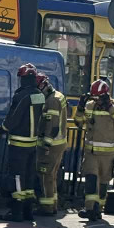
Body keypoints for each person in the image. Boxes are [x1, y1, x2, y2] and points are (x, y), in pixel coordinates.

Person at [0, 63, 44, 221]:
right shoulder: (39, 95)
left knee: (16, 177)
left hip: (18, 144)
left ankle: (16, 212)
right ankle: (28, 212)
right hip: (32, 144)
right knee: (28, 177)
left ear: (23, 79)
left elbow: (12, 119)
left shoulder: (21, 96)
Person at [74, 78, 114, 221]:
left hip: (110, 155)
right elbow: (78, 123)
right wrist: (80, 107)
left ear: (105, 95)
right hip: (91, 153)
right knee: (91, 180)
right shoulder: (90, 106)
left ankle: (98, 209)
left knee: (104, 182)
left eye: (99, 98)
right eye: (94, 97)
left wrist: (109, 107)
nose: (96, 101)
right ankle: (90, 208)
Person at [35, 72, 68, 215]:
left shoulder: (52, 100)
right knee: (52, 175)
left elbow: (52, 125)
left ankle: (47, 207)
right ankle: (53, 204)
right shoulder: (58, 96)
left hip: (52, 144)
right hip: (58, 143)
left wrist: (46, 144)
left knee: (45, 174)